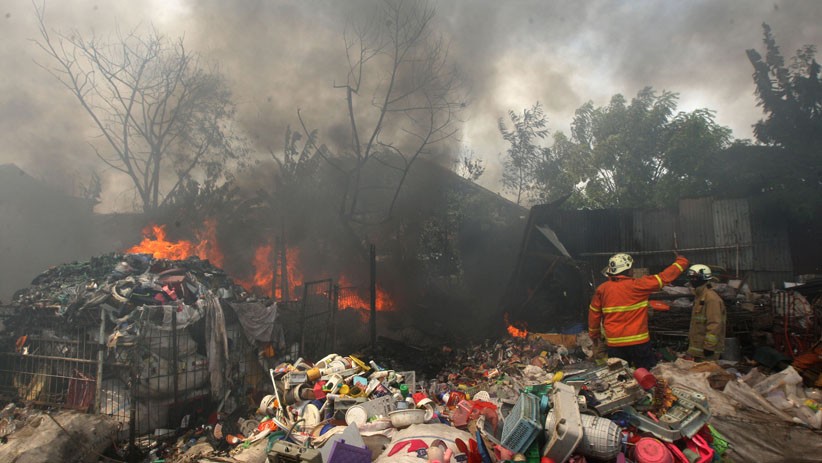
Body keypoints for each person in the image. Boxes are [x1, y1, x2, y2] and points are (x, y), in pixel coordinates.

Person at [588, 253, 689, 369]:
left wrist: (594, 336)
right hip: (639, 343)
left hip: (615, 344)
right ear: (628, 270)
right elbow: (664, 277)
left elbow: (594, 314)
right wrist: (682, 261)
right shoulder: (639, 285)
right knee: (646, 374)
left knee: (620, 375)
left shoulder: (602, 289)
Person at [686, 264, 726, 361]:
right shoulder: (699, 297)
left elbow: (715, 324)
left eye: (695, 278)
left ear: (704, 278)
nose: (692, 281)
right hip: (698, 350)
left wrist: (709, 346)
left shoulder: (711, 298)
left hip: (707, 352)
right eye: (691, 278)